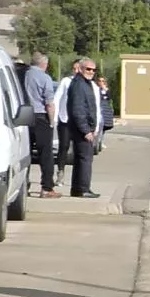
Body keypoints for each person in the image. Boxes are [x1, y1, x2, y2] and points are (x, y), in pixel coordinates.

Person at [23, 52, 60, 199]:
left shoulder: (23, 75)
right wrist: (51, 121)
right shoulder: (44, 78)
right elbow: (49, 103)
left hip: (24, 115)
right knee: (46, 154)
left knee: (25, 153)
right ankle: (46, 187)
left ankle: (24, 184)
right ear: (44, 64)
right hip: (41, 116)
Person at [66, 57, 100, 198]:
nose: (91, 72)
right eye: (88, 69)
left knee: (82, 159)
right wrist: (86, 130)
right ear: (80, 69)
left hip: (85, 128)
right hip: (82, 129)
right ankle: (82, 188)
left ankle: (78, 188)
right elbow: (78, 109)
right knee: (85, 159)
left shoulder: (85, 84)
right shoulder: (79, 85)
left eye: (93, 69)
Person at [52, 59, 81, 186]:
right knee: (63, 147)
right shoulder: (66, 81)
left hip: (79, 121)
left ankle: (78, 177)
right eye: (74, 69)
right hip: (65, 119)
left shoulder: (85, 84)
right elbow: (57, 99)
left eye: (78, 69)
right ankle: (60, 172)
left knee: (79, 149)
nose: (76, 71)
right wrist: (55, 117)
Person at [97, 75, 115, 151]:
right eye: (100, 81)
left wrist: (106, 90)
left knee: (104, 126)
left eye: (103, 81)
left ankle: (101, 141)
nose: (101, 82)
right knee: (99, 126)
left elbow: (109, 98)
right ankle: (98, 142)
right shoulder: (96, 89)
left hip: (106, 110)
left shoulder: (107, 90)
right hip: (99, 108)